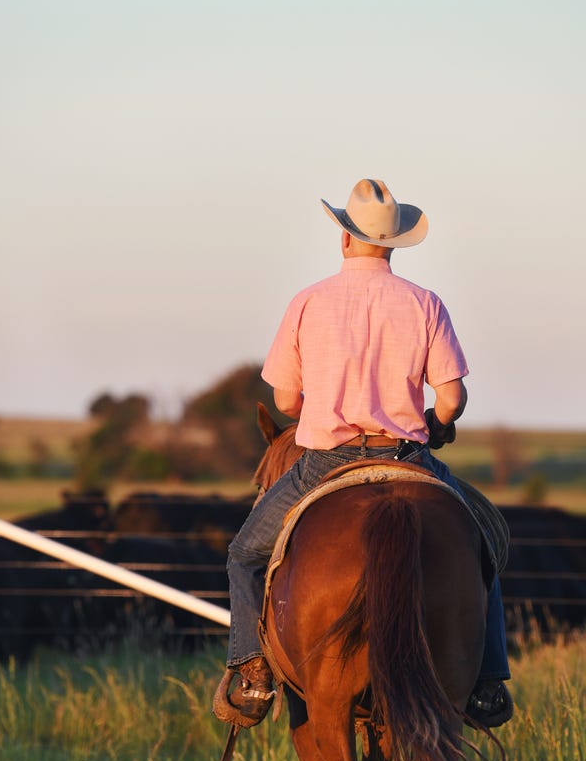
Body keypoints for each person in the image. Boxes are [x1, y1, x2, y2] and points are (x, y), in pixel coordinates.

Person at [215, 178, 513, 729]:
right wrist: (435, 422)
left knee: (244, 554)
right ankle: (489, 679)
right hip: (407, 458)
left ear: (345, 238)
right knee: (484, 543)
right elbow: (451, 399)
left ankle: (252, 672)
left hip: (326, 461)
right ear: (394, 242)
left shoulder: (307, 301)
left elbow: (285, 399)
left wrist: (322, 399)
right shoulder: (426, 303)